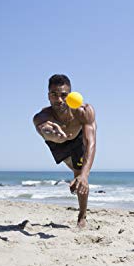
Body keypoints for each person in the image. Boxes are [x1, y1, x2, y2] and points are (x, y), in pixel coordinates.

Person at [33, 74, 97, 228]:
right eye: (54, 95)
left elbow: (91, 143)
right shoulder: (42, 117)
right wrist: (52, 133)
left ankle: (82, 216)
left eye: (63, 95)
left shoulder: (83, 111)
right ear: (48, 96)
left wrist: (84, 175)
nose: (59, 99)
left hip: (77, 139)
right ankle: (76, 173)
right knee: (77, 171)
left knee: (81, 175)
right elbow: (44, 130)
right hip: (57, 143)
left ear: (71, 96)